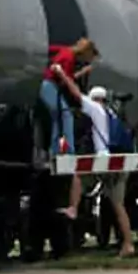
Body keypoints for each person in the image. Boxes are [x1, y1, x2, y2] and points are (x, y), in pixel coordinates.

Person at [49, 65, 136, 258]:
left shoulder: (95, 109)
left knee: (78, 175)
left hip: (105, 161)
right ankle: (128, 243)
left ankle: (73, 208)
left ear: (96, 99)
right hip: (118, 161)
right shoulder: (112, 113)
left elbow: (75, 93)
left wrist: (62, 74)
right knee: (118, 204)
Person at [39, 37, 99, 217]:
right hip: (49, 86)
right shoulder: (69, 57)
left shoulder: (65, 51)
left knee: (59, 117)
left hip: (49, 85)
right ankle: (68, 150)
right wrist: (83, 72)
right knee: (65, 114)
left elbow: (50, 49)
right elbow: (65, 79)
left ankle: (55, 148)